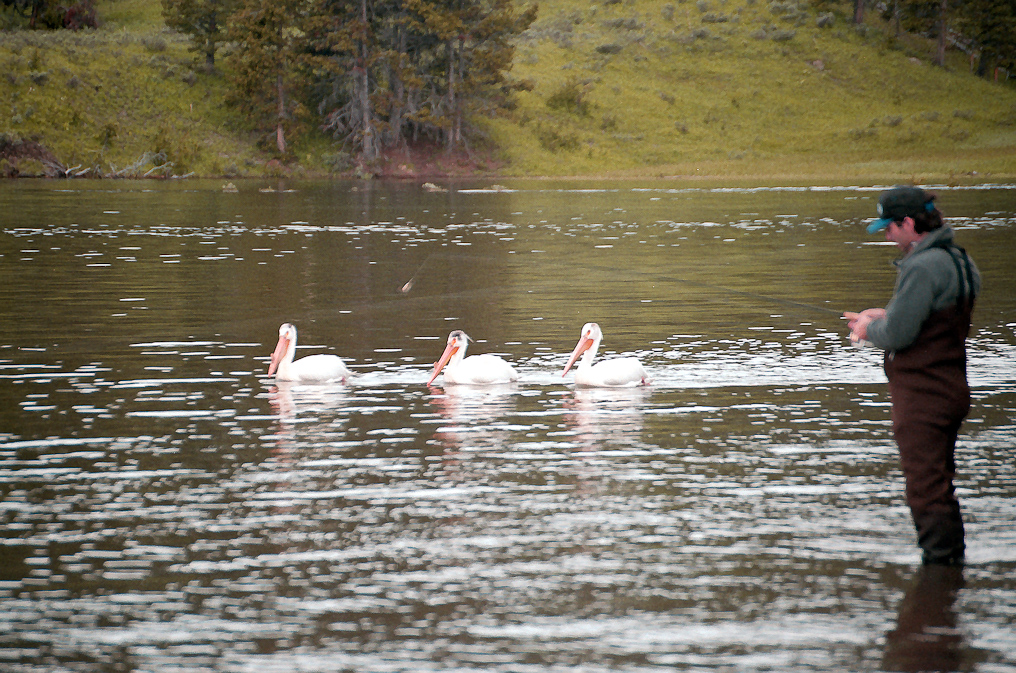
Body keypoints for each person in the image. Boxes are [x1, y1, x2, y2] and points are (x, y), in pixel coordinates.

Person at [844, 185, 980, 566]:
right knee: (941, 484)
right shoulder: (958, 259)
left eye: (889, 227)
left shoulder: (921, 266)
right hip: (952, 387)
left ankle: (940, 573)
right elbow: (931, 320)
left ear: (908, 223)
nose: (887, 235)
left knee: (925, 490)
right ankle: (951, 570)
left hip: (923, 397)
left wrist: (868, 330)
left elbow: (901, 335)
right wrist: (883, 317)